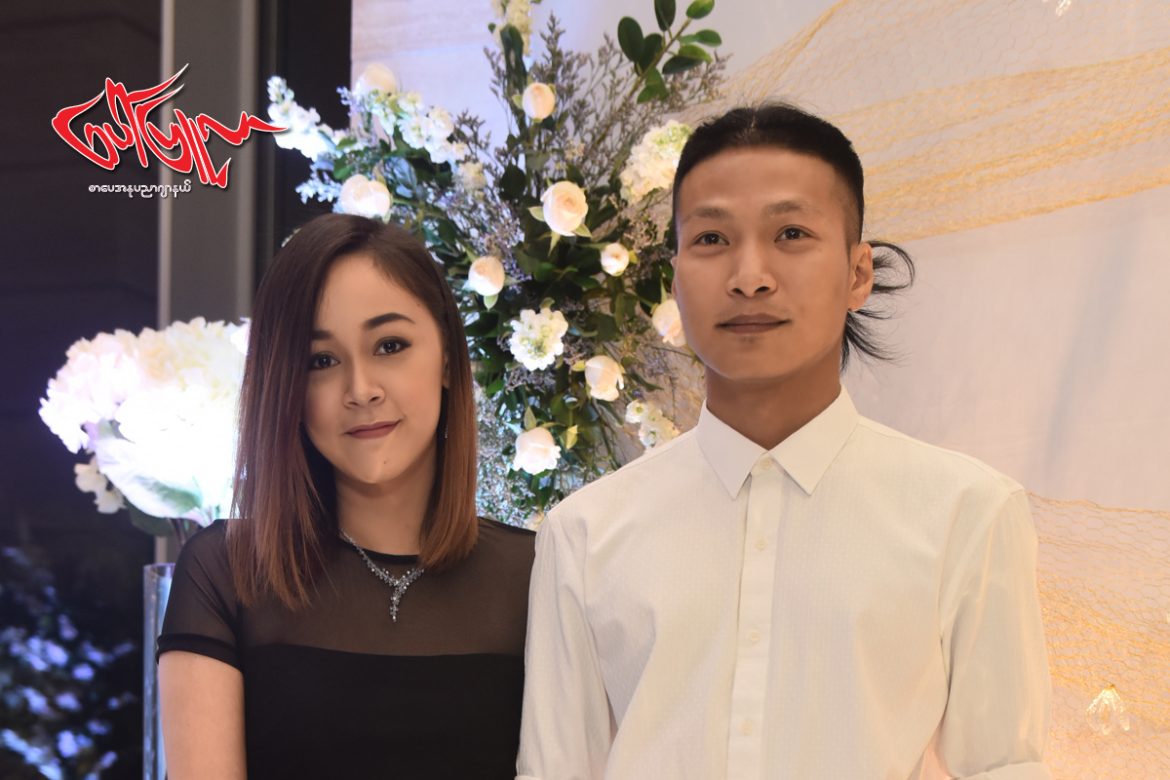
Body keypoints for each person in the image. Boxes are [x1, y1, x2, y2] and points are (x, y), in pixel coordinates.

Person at [517, 104, 1051, 779]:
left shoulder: (966, 514)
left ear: (858, 274)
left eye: (791, 233)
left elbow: (1003, 767)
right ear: (675, 279)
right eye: (712, 238)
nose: (750, 276)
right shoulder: (584, 533)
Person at [158, 214, 534, 779]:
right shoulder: (227, 574)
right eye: (322, 361)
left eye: (390, 345)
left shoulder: (538, 576)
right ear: (286, 387)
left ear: (448, 360)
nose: (361, 390)